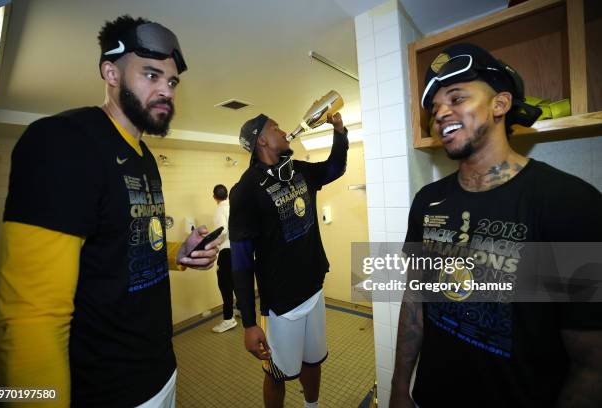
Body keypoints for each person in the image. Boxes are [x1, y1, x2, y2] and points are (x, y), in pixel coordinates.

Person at [0, 15, 221, 407]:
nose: (166, 90)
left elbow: (123, 244)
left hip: (160, 369)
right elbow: (31, 319)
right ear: (110, 73)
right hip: (106, 390)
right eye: (151, 75)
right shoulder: (62, 142)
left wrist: (177, 253)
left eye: (171, 82)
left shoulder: (144, 156)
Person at [389, 43, 602, 407]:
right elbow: (414, 302)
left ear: (500, 105)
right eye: (435, 108)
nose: (440, 114)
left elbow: (592, 362)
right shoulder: (427, 202)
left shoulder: (571, 204)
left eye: (456, 98)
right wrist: (398, 386)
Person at [229, 112, 348, 407]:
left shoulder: (298, 171)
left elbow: (334, 168)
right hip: (281, 304)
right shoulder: (245, 191)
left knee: (313, 361)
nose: (283, 130)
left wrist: (340, 132)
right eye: (275, 127)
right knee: (277, 375)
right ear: (262, 141)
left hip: (314, 289)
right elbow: (241, 263)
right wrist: (248, 323)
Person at [211, 183, 240, 333]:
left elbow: (222, 231)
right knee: (236, 281)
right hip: (239, 249)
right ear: (227, 194)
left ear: (214, 197)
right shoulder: (234, 206)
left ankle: (228, 319)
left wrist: (213, 245)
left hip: (226, 251)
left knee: (225, 285)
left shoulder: (219, 210)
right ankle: (241, 309)